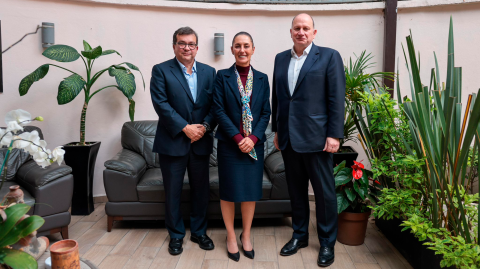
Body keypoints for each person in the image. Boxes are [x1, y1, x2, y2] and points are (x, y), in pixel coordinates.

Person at [271, 14, 346, 267]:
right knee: (296, 191)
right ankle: (299, 236)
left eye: (306, 28)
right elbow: (278, 98)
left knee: (324, 194)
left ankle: (326, 243)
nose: (301, 32)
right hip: (289, 138)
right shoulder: (281, 59)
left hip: (317, 138)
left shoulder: (329, 56)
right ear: (290, 32)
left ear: (314, 33)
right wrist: (277, 131)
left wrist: (334, 134)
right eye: (297, 28)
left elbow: (336, 98)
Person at [150, 26, 217, 256]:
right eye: (181, 43)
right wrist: (185, 128)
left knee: (200, 191)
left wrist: (204, 127)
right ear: (174, 46)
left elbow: (214, 106)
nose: (186, 47)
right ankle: (176, 235)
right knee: (173, 192)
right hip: (172, 142)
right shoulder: (161, 70)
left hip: (201, 141)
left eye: (190, 44)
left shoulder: (210, 72)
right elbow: (161, 104)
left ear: (197, 48)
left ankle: (199, 232)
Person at [212, 32, 271, 262]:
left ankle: (246, 235)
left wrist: (254, 138)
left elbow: (265, 113)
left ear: (253, 49)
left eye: (246, 46)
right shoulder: (222, 76)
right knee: (228, 192)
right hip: (230, 145)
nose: (242, 50)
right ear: (232, 49)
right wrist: (238, 138)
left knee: (249, 193)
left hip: (254, 146)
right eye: (238, 46)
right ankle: (230, 236)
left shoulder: (263, 78)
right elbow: (219, 110)